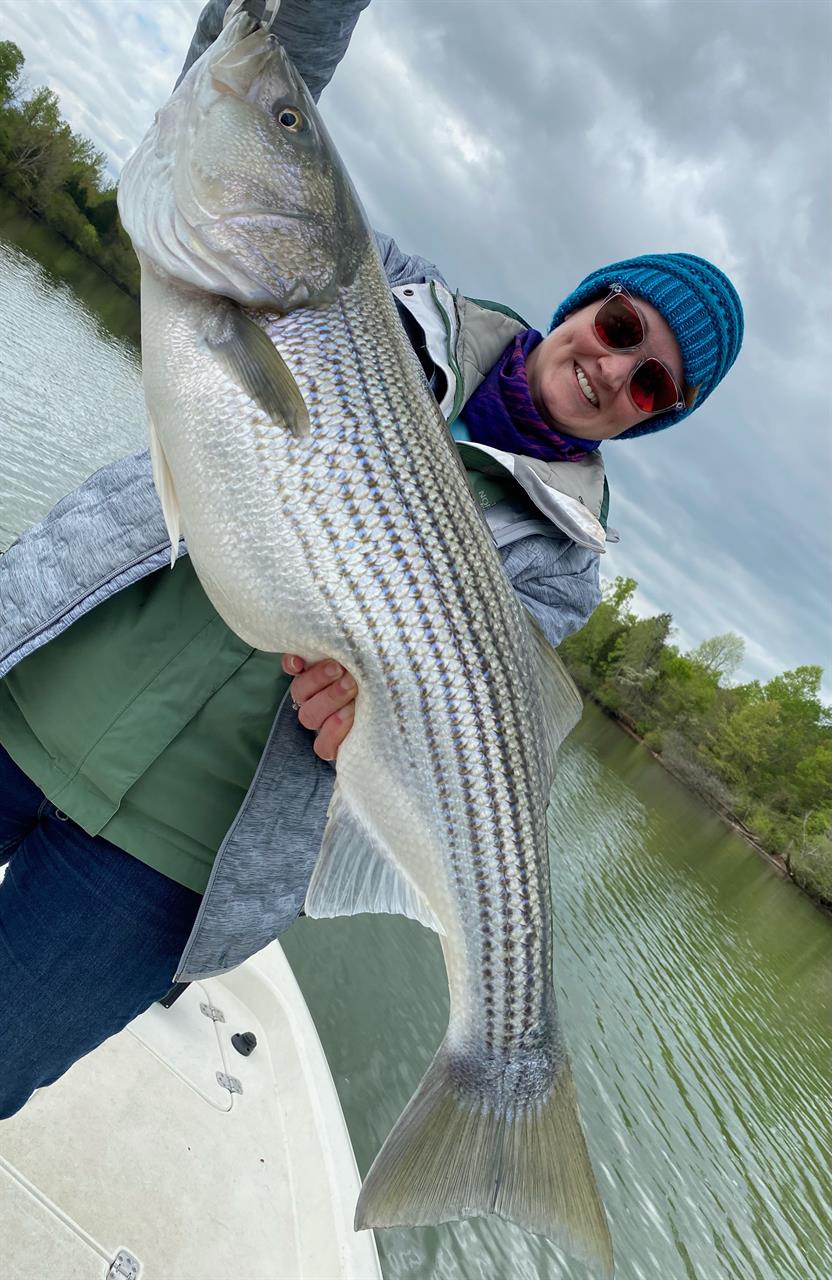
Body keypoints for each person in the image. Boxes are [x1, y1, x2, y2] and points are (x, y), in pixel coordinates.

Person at [0, 0, 743, 1121]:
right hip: (36, 678)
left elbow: (452, 742)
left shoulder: (561, 571)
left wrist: (369, 719)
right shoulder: (377, 287)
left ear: (651, 419)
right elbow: (263, 68)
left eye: (651, 385)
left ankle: (500, 1069)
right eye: (623, 326)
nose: (613, 368)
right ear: (589, 303)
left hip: (169, 863)